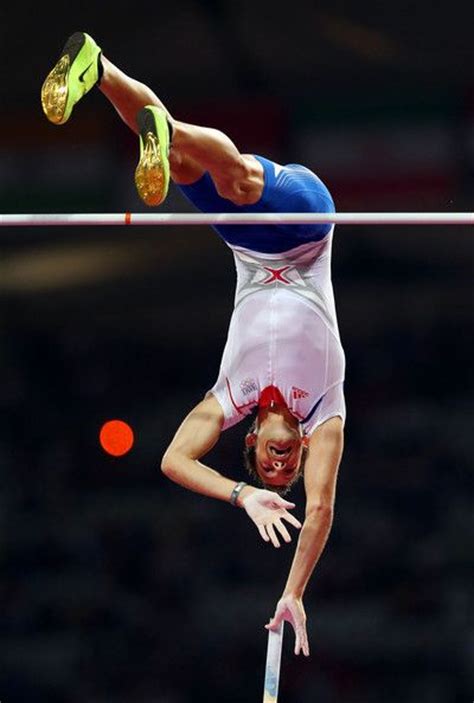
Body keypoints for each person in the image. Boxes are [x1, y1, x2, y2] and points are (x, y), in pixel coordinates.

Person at [41, 32, 346, 657]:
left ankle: (100, 68)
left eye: (269, 468)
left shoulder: (227, 398)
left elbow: (173, 461)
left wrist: (240, 496)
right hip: (307, 229)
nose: (282, 469)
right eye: (287, 470)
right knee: (233, 178)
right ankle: (166, 126)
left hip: (248, 246)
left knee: (179, 165)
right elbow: (318, 512)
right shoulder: (325, 411)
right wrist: (295, 591)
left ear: (253, 444)